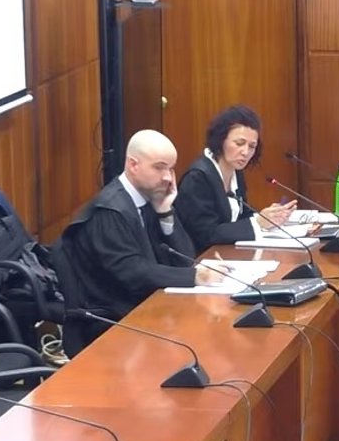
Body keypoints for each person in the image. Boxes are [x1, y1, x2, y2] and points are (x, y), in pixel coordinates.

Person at [59, 129, 225, 351]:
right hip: (111, 324)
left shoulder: (148, 200)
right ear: (133, 165)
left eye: (171, 168)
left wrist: (165, 213)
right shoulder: (109, 211)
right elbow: (132, 273)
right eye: (159, 167)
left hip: (145, 308)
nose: (168, 178)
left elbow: (186, 259)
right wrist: (195, 276)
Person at [175, 105, 297, 252]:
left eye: (252, 146)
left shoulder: (235, 171)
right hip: (201, 258)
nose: (245, 152)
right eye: (239, 143)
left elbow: (242, 216)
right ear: (220, 140)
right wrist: (258, 222)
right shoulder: (197, 178)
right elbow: (206, 234)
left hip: (228, 253)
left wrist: (269, 217)